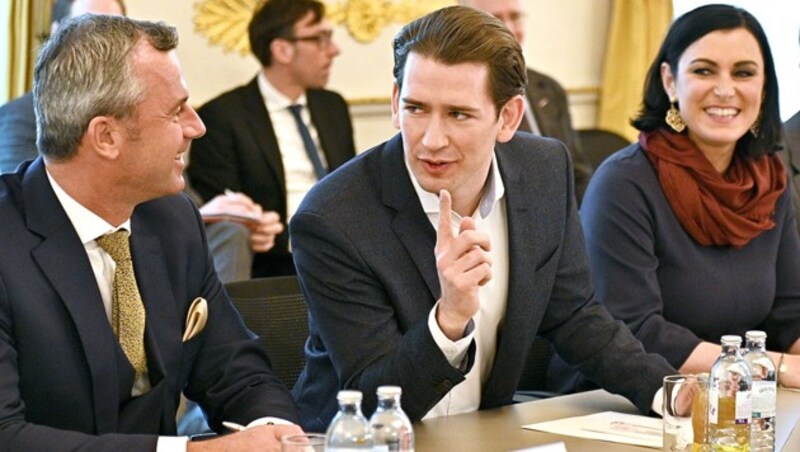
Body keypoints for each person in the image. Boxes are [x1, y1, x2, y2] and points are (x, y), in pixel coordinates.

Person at [289, 5, 675, 432]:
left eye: (458, 114)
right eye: (417, 108)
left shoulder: (543, 170)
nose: (431, 140)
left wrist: (667, 392)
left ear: (507, 117)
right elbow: (370, 400)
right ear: (396, 103)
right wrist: (449, 319)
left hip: (485, 433)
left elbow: (575, 316)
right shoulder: (332, 217)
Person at [0, 15, 303, 450]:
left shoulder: (173, 219)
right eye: (176, 110)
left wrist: (275, 431)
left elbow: (237, 371)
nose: (196, 127)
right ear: (106, 136)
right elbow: (7, 436)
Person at [549, 4, 800, 394]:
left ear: (764, 87)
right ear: (670, 80)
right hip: (618, 400)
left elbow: (790, 312)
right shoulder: (624, 182)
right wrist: (775, 368)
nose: (724, 89)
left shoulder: (769, 177)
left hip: (736, 397)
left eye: (744, 73)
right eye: (703, 70)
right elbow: (634, 330)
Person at [187, 0, 356, 278]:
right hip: (273, 268)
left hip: (344, 259)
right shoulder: (222, 117)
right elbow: (223, 220)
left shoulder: (333, 107)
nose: (334, 50)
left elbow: (350, 187)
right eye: (320, 38)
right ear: (282, 50)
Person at [459, 0, 592, 203]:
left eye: (515, 17)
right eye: (495, 19)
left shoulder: (547, 89)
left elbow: (577, 174)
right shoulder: (456, 97)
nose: (510, 29)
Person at [0, 0, 126, 174]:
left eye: (115, 31)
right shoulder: (21, 118)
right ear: (56, 35)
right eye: (89, 31)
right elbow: (23, 195)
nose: (106, 46)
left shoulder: (137, 113)